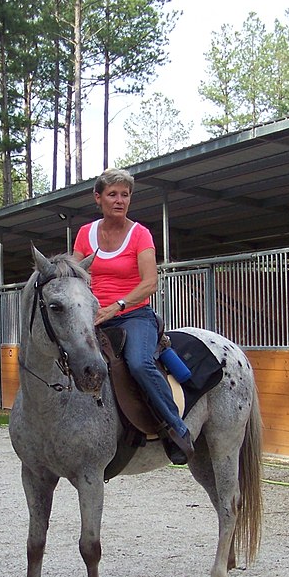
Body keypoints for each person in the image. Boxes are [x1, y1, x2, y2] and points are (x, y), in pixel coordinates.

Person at [70, 168, 195, 464]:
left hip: (134, 315)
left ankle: (176, 428)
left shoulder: (140, 234)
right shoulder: (85, 234)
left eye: (125, 195)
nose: (120, 200)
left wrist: (118, 306)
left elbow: (150, 282)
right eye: (112, 194)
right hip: (95, 316)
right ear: (98, 198)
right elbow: (75, 272)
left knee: (139, 363)